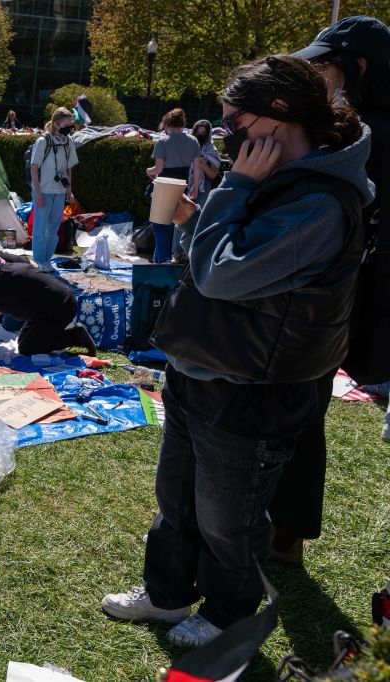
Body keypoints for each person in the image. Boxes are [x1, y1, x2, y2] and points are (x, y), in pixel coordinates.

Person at [102, 55, 372, 648]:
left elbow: (224, 276)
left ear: (278, 117)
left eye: (234, 126)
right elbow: (216, 261)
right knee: (176, 501)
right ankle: (169, 597)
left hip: (254, 385)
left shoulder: (320, 201)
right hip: (203, 367)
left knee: (230, 520)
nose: (226, 140)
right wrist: (203, 215)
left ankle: (229, 615)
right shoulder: (280, 181)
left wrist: (235, 188)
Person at [267, 16, 390, 564]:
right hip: (348, 297)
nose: (320, 77)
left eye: (325, 66)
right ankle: (286, 535)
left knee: (296, 410)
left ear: (358, 67)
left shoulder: (365, 132)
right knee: (303, 411)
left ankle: (282, 535)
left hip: (333, 299)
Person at [146, 108, 201, 263]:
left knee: (160, 225)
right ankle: (163, 259)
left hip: (164, 186)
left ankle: (163, 260)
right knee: (180, 223)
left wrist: (147, 170)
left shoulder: (163, 141)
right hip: (182, 186)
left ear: (167, 124)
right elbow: (197, 167)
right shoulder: (193, 140)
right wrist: (195, 187)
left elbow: (158, 169)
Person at [29, 107, 78, 270]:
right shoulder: (43, 141)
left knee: (53, 230)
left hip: (59, 192)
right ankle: (39, 260)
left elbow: (69, 168)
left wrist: (69, 190)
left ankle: (46, 260)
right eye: (68, 123)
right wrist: (38, 194)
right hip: (43, 191)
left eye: (72, 122)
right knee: (40, 229)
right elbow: (34, 168)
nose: (71, 126)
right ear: (57, 124)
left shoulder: (68, 141)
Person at [188, 120, 221, 202]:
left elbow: (213, 175)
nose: (200, 135)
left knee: (199, 212)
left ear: (208, 134)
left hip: (203, 188)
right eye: (197, 132)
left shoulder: (211, 150)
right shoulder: (187, 146)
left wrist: (204, 165)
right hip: (185, 182)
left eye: (203, 133)